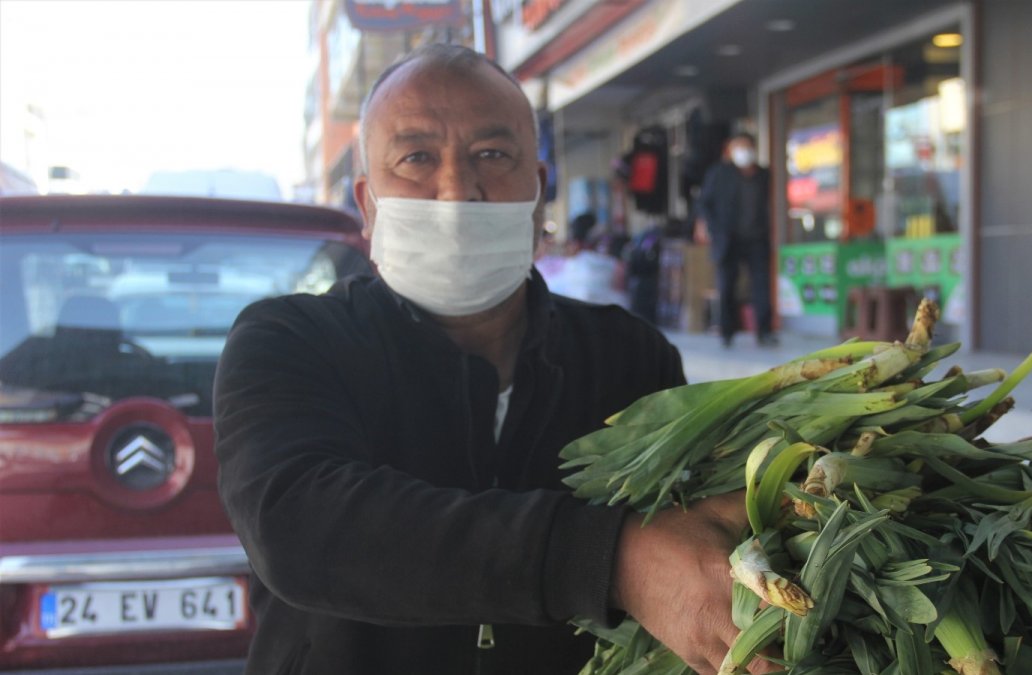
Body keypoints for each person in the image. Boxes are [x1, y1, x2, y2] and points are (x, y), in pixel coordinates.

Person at [214, 44, 761, 675]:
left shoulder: (628, 356)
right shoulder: (289, 341)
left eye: (492, 156)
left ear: (539, 190)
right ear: (368, 204)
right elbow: (301, 528)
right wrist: (610, 560)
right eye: (417, 157)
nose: (457, 191)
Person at [696, 132, 778, 348]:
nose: (743, 152)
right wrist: (711, 228)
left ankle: (764, 331)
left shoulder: (762, 174)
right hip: (727, 239)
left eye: (746, 147)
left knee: (761, 285)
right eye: (738, 147)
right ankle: (727, 330)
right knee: (727, 286)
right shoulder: (719, 173)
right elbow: (704, 203)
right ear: (730, 151)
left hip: (757, 238)